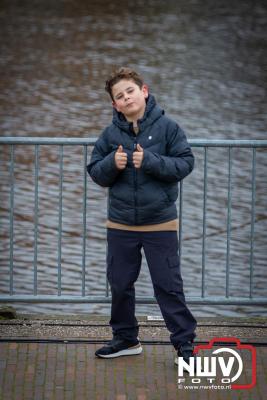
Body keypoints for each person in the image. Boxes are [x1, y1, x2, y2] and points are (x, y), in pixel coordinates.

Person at [87, 67, 197, 365]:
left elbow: (186, 164)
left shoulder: (168, 128)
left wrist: (150, 161)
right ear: (114, 104)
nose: (126, 98)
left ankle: (184, 345)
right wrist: (112, 162)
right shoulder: (110, 134)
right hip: (120, 223)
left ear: (144, 91)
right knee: (120, 283)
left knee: (168, 284)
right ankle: (126, 339)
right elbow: (96, 172)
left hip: (159, 221)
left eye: (130, 92)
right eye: (119, 96)